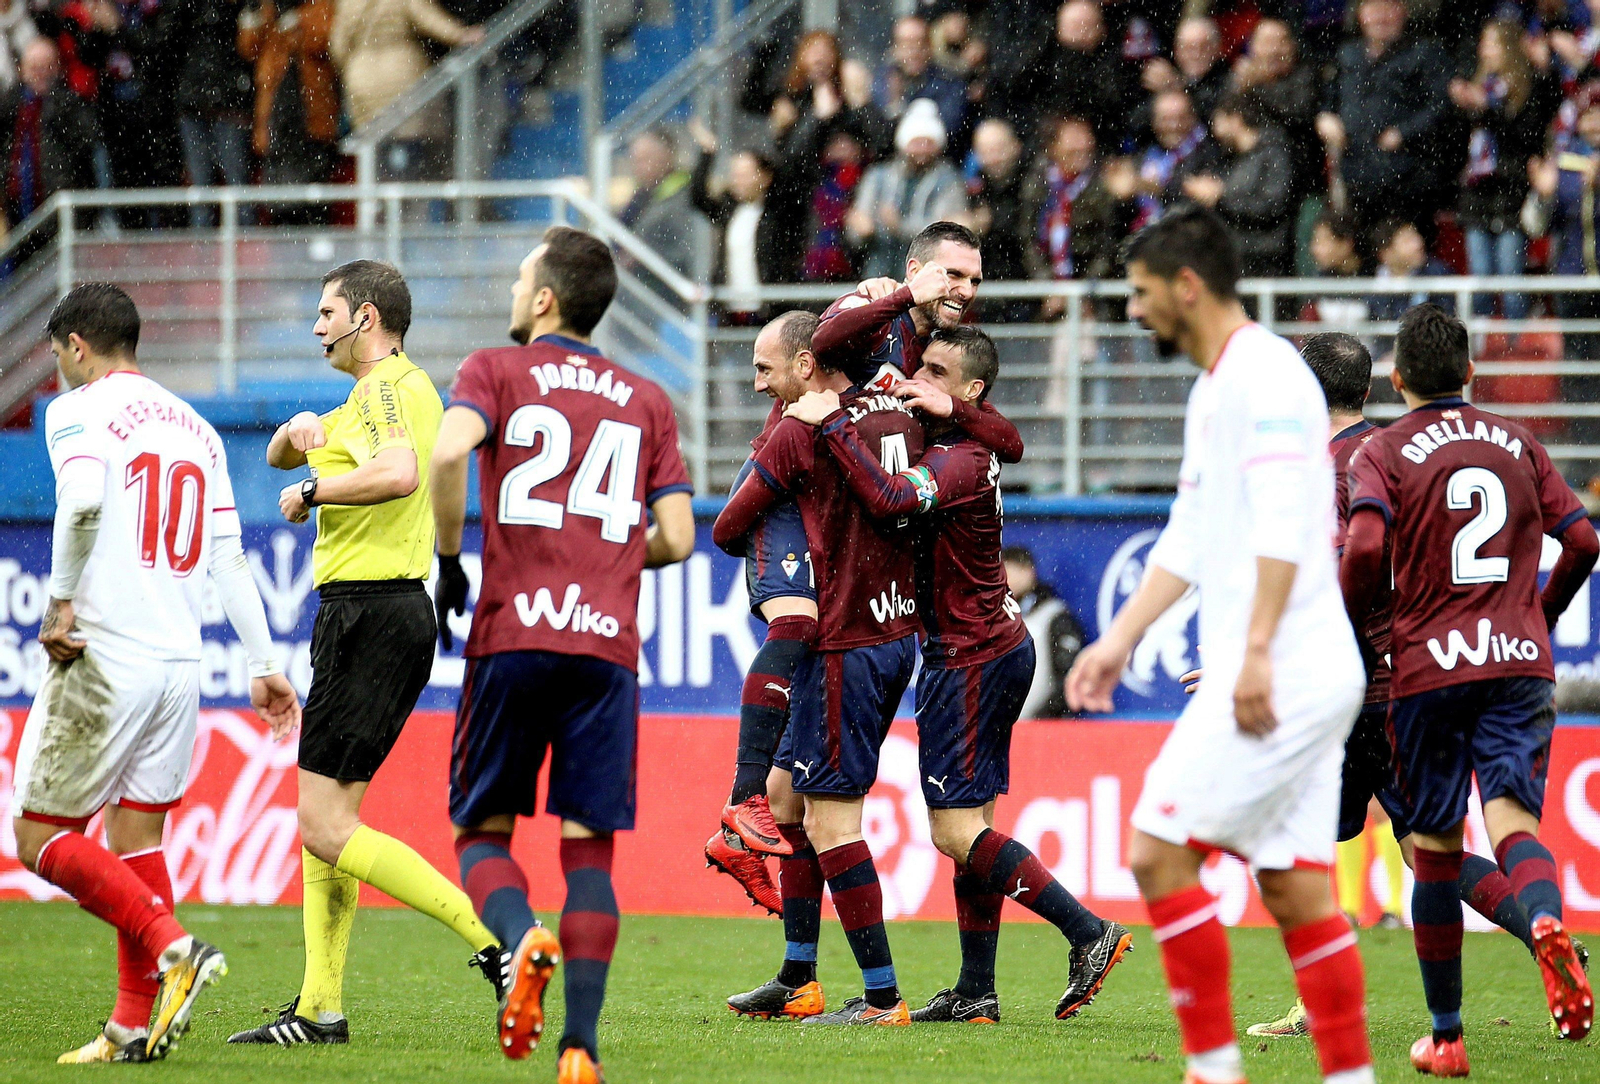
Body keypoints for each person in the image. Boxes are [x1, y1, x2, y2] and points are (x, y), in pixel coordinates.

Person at [1067, 206, 1376, 1084]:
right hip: (1301, 669)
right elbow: (1193, 532)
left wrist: (1256, 652)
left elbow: (1287, 523)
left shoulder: (1270, 379)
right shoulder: (1220, 383)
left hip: (1290, 670)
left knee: (1156, 852)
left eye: (1140, 292)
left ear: (1186, 286)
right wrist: (1121, 638)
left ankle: (1213, 1070)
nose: (1134, 311)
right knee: (1295, 889)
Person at [787, 326, 1132, 1025]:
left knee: (953, 833)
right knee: (973, 822)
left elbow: (887, 501)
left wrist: (832, 433)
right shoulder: (966, 441)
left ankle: (1088, 932)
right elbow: (1011, 438)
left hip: (971, 655)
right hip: (986, 645)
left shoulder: (959, 462)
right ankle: (978, 990)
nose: (917, 380)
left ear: (971, 390)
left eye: (936, 372)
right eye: (919, 367)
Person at [430, 226, 695, 1081]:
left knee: (481, 831)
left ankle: (519, 937)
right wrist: (609, 551)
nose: (513, 291)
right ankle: (580, 1048)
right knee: (588, 851)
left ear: (544, 299)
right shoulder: (648, 397)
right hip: (605, 649)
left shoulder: (496, 371)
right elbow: (680, 538)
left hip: (514, 633)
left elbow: (444, 451)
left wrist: (445, 561)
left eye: (519, 279)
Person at [704, 222, 1023, 921]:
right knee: (796, 621)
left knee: (804, 803)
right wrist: (901, 294)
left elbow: (1010, 441)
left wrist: (953, 405)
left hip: (843, 536)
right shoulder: (872, 308)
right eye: (949, 276)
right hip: (788, 490)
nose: (961, 291)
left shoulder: (932, 356)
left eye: (972, 280)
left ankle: (799, 975)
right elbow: (816, 344)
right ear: (915, 269)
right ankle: (739, 799)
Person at [13, 282, 298, 1063]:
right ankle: (130, 1027)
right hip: (180, 664)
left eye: (59, 354)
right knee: (137, 837)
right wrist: (266, 662)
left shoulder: (76, 411)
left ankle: (176, 947)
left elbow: (78, 504)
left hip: (107, 654)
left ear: (76, 345)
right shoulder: (199, 430)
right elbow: (229, 558)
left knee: (38, 834)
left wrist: (62, 601)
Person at [229, 260, 506, 1047]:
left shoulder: (387, 386)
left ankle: (496, 944)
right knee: (329, 820)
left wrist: (315, 493)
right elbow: (288, 456)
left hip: (373, 611)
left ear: (367, 318)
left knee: (322, 821)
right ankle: (321, 1009)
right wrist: (300, 432)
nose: (316, 327)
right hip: (369, 612)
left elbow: (400, 471)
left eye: (327, 313)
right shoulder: (374, 396)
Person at [1247, 331, 1553, 1039]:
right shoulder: (1398, 454)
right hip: (1419, 675)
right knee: (1425, 848)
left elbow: (1336, 573)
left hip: (1350, 686)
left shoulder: (1329, 468)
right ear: (1370, 388)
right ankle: (1540, 929)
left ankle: (1319, 1003)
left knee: (1296, 843)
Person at [1343, 303, 1598, 1071]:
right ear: (1471, 373)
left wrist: (1355, 622)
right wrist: (1538, 616)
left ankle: (1447, 1037)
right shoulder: (1520, 442)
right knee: (1515, 823)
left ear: (1396, 378)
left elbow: (1362, 545)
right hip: (1517, 663)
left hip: (1427, 670)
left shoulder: (1382, 449)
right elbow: (1584, 539)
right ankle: (1547, 921)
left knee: (1436, 848)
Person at [713, 318, 925, 1028]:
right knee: (788, 802)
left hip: (845, 638)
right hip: (894, 623)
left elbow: (727, 526)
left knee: (832, 821)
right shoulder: (891, 403)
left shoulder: (807, 428)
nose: (759, 384)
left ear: (809, 363)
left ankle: (884, 1000)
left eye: (767, 369)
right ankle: (798, 977)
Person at [1450, 18, 1559, 321]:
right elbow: (1460, 143)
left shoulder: (1528, 88)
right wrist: (1462, 107)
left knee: (1511, 285)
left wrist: (1487, 109)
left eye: (1492, 43)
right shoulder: (1480, 86)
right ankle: (1484, 354)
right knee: (1481, 282)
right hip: (1477, 198)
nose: (1484, 50)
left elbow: (1526, 136)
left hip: (1511, 196)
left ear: (1509, 48)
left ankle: (1517, 355)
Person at [1316, 0, 1451, 227]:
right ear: (1360, 15)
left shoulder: (1425, 52)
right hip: (1356, 172)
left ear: (1403, 12)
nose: (1380, 18)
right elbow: (1329, 97)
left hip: (1407, 177)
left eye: (1388, 8)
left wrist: (1404, 133)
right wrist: (1325, 117)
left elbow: (1441, 106)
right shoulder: (1347, 54)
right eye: (1373, 10)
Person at [328, 0, 482, 182]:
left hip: (362, 80)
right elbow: (428, 18)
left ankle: (380, 200)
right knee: (409, 148)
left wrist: (355, 67)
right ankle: (408, 198)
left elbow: (337, 46)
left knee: (375, 151)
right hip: (401, 73)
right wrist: (461, 34)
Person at [846, 98, 967, 279]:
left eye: (929, 142)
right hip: (879, 273)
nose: (922, 149)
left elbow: (944, 233)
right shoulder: (878, 177)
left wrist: (899, 226)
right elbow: (858, 229)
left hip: (926, 279)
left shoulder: (949, 180)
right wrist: (863, 228)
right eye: (917, 142)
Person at [1184, 91, 1296, 278]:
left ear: (1235, 119)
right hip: (1235, 259)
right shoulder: (1231, 159)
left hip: (1266, 261)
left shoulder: (1274, 153)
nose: (1215, 131)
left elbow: (1271, 206)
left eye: (1218, 122)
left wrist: (1220, 197)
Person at [0, 38, 100, 235]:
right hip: (17, 207)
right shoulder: (12, 106)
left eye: (46, 67)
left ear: (57, 69)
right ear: (22, 70)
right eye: (34, 67)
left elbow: (87, 143)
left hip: (56, 206)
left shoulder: (70, 104)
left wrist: (56, 106)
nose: (39, 74)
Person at [1003, 546, 1085, 720]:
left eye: (1008, 571)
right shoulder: (995, 618)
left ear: (1028, 572)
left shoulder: (1054, 616)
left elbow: (1068, 677)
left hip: (1041, 729)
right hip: (1002, 730)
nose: (1003, 580)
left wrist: (1043, 717)